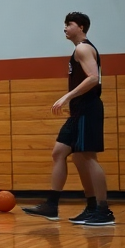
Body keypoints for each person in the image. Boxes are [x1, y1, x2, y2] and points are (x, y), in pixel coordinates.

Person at [22, 12, 115, 226]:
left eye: (69, 24)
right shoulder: (79, 49)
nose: (64, 28)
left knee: (87, 157)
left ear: (81, 27)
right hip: (78, 111)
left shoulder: (83, 48)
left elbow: (94, 78)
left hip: (87, 109)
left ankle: (103, 210)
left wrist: (67, 95)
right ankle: (54, 205)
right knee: (61, 153)